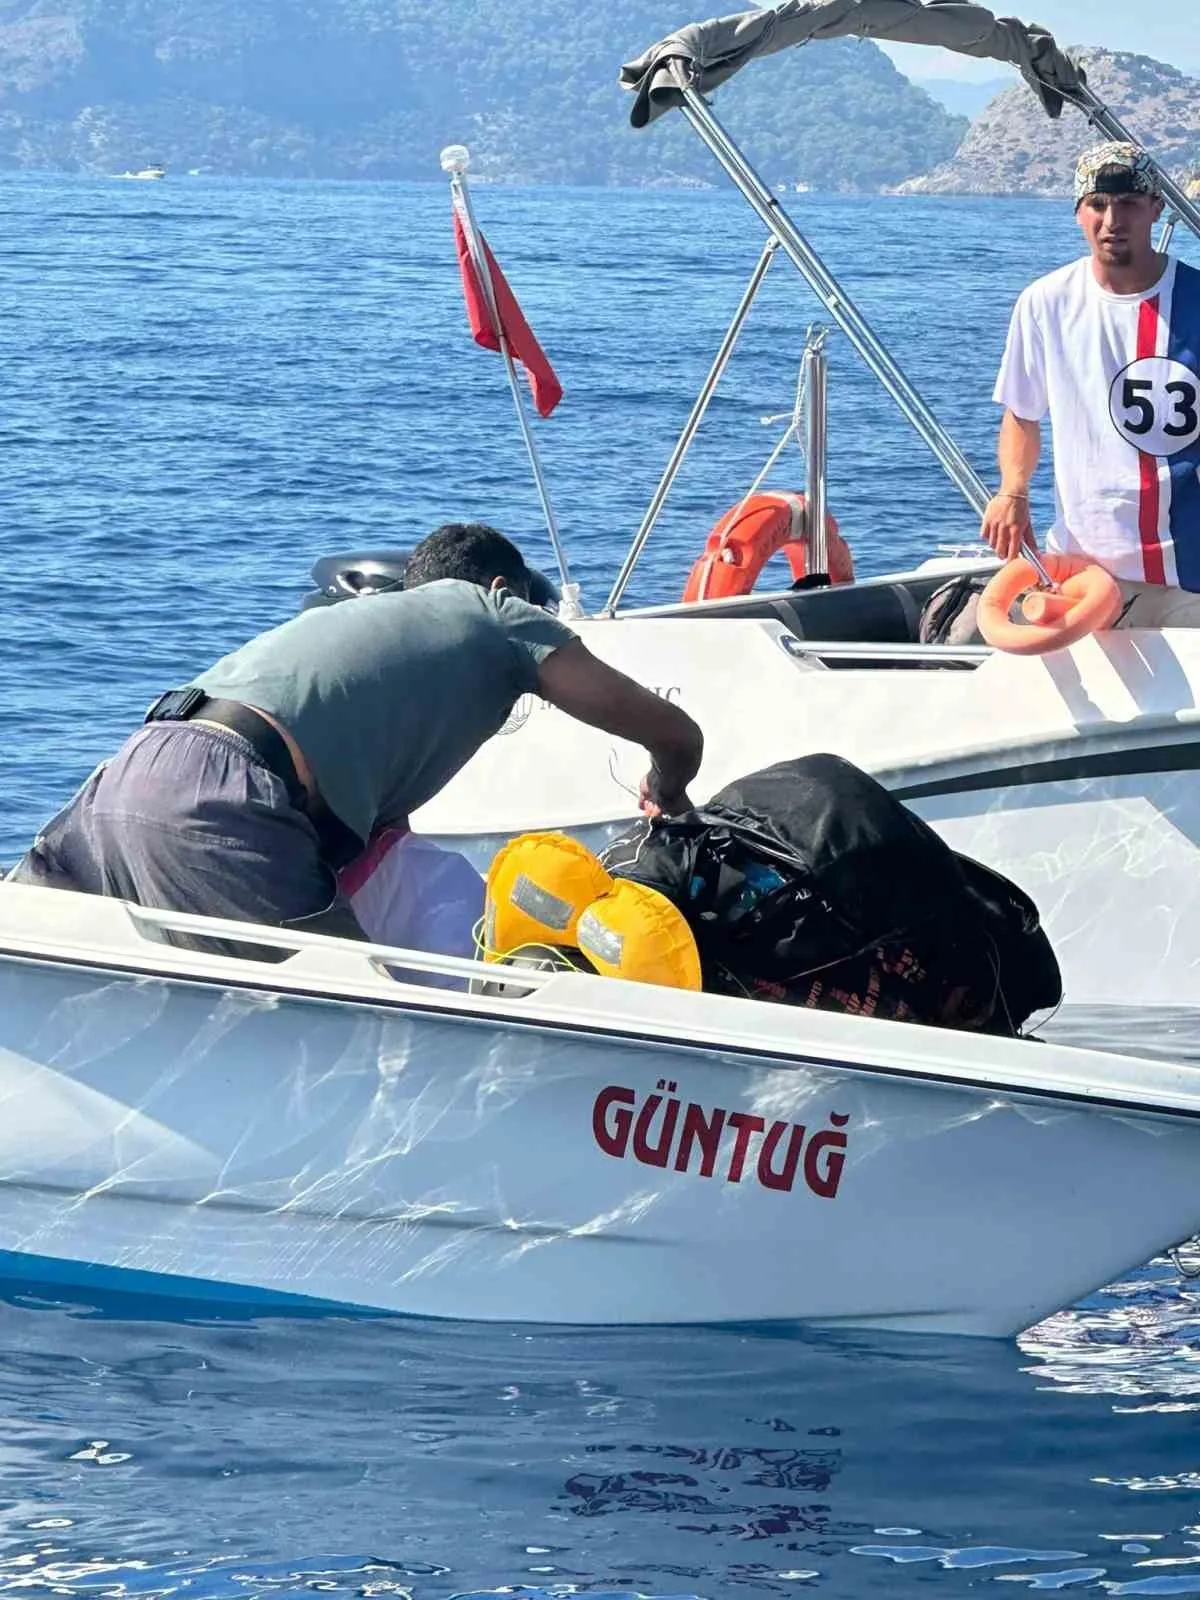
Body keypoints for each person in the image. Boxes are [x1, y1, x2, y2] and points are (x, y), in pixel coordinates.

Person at [10, 522, 704, 954]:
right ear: (500, 586)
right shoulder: (498, 616)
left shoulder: (378, 646)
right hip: (231, 798)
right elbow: (672, 732)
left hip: (127, 772)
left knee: (34, 952)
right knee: (353, 1021)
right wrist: (666, 786)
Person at [982, 141, 1200, 628]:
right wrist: (1012, 492)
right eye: (1098, 205)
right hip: (1085, 568)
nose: (1112, 220)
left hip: (1189, 572)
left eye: (1128, 204)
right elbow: (1022, 413)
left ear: (1156, 208)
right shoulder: (1045, 304)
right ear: (1079, 212)